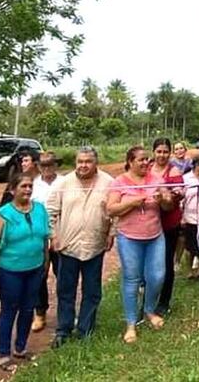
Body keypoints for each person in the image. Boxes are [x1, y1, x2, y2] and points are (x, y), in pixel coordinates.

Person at [45, 147, 114, 347]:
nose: (83, 165)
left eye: (88, 161)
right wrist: (54, 236)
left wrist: (111, 233)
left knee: (92, 291)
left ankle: (86, 330)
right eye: (80, 161)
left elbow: (115, 212)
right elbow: (50, 211)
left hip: (95, 245)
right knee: (66, 290)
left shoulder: (108, 182)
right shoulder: (63, 184)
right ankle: (63, 330)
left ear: (96, 163)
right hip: (68, 246)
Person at [106, 146, 173, 344]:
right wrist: (132, 203)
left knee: (157, 276)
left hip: (155, 236)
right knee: (132, 279)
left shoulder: (155, 179)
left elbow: (168, 204)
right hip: (129, 238)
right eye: (141, 160)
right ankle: (131, 323)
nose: (145, 163)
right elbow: (111, 209)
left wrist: (164, 200)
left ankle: (149, 310)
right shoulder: (119, 182)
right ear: (130, 161)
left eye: (147, 160)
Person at [0, 172, 50, 370]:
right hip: (10, 272)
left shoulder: (40, 209)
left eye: (30, 186)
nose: (28, 190)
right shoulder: (2, 216)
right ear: (13, 190)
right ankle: (3, 354)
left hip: (35, 269)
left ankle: (20, 348)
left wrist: (45, 264)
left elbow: (44, 238)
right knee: (9, 310)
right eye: (23, 186)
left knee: (28, 309)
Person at [149, 138, 184, 317]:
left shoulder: (174, 170)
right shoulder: (147, 168)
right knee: (149, 264)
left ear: (169, 153)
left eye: (165, 152)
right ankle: (149, 300)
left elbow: (180, 192)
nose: (161, 155)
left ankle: (164, 302)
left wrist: (175, 193)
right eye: (159, 151)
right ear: (153, 152)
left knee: (166, 263)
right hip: (148, 222)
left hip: (169, 223)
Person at [31, 152, 61, 333]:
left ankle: (65, 312)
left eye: (50, 164)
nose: (47, 168)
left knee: (63, 275)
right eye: (43, 165)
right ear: (38, 166)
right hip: (39, 237)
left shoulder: (65, 183)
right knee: (39, 276)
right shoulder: (33, 185)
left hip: (60, 234)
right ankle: (40, 313)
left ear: (56, 165)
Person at [182, 154, 199, 280]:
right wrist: (181, 216)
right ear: (196, 165)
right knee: (189, 246)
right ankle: (189, 270)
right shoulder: (186, 179)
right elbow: (181, 198)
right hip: (190, 217)